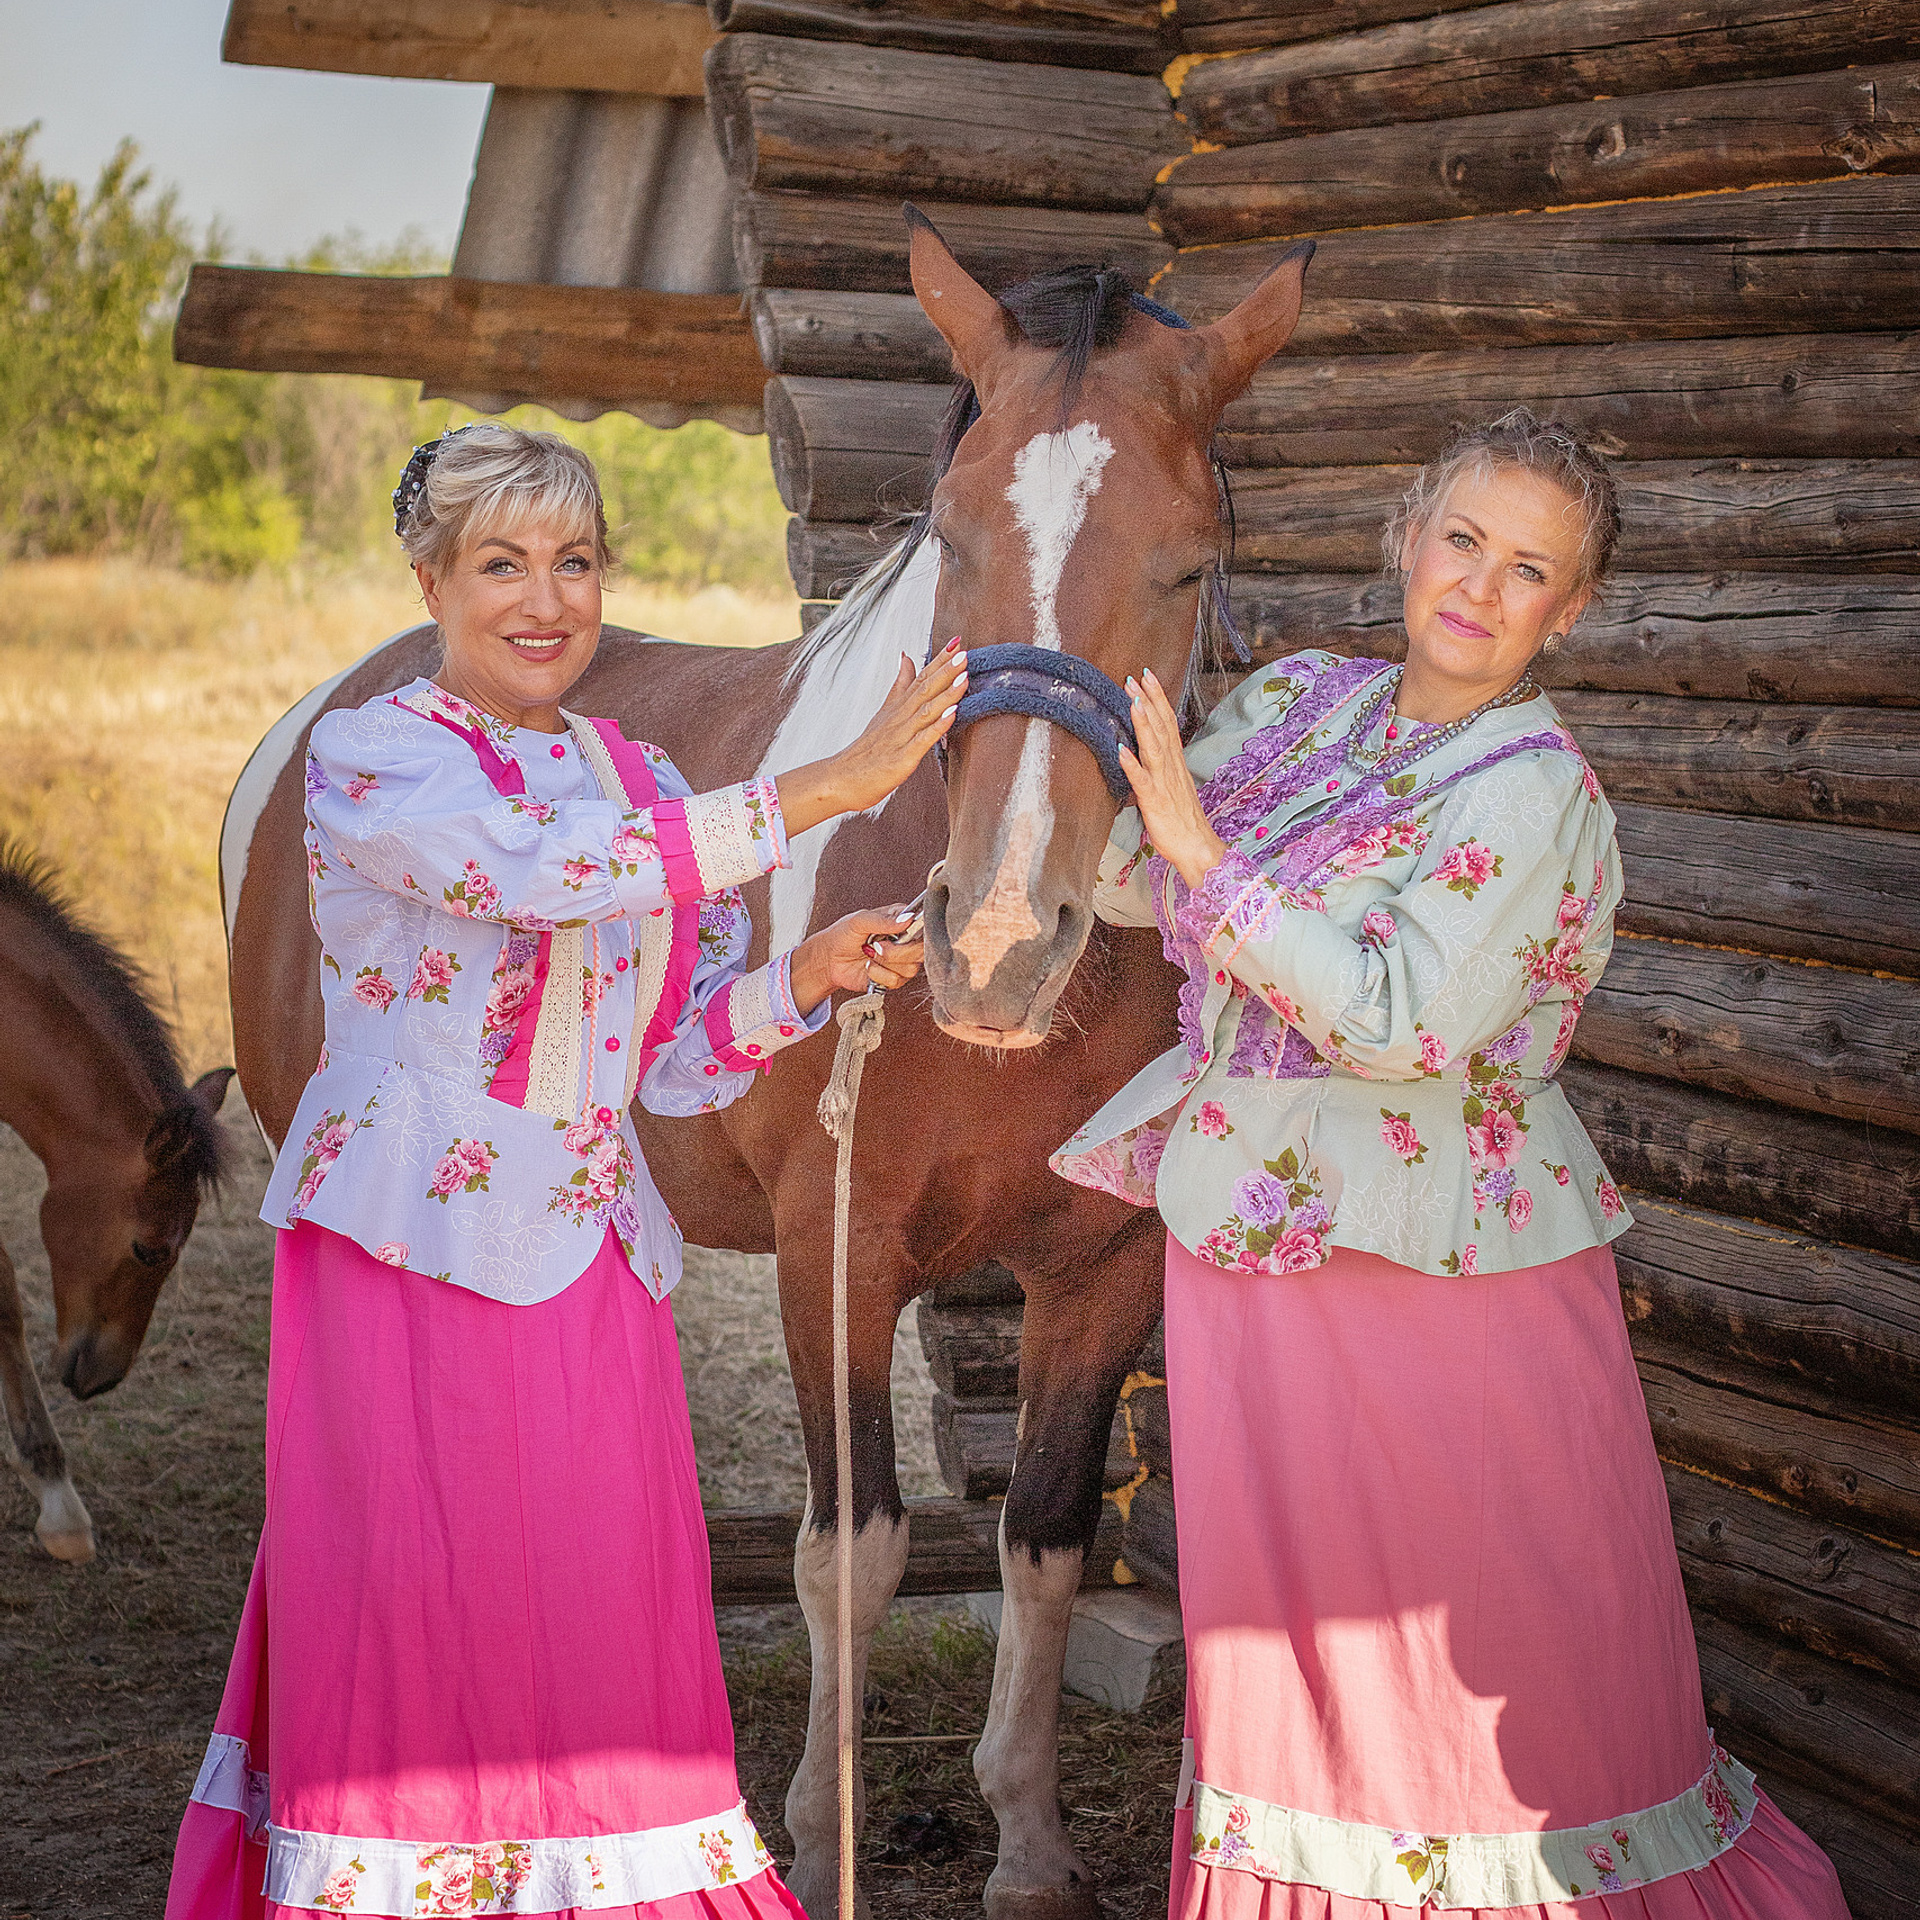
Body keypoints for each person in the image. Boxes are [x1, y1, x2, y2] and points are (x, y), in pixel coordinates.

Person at [1053, 410, 1848, 1918]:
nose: (1480, 585)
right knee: (1290, 1656)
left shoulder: (1531, 788)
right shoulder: (1298, 700)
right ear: (1409, 537)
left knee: (1459, 1663)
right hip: (1250, 1237)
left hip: (1434, 1266)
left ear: (1572, 609)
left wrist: (1204, 859)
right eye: (1463, 539)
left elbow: (1402, 1020)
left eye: (1529, 568)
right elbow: (1116, 872)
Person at [167, 422, 965, 1920]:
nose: (545, 601)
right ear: (429, 582)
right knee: (424, 1606)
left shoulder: (636, 771)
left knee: (594, 1624)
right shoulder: (372, 758)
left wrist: (801, 975)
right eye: (500, 565)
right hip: (409, 1257)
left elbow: (661, 1051)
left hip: (595, 1257)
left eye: (576, 562)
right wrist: (824, 787)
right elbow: (537, 873)